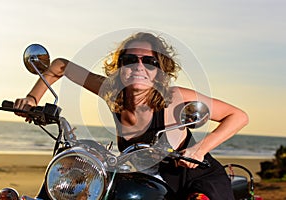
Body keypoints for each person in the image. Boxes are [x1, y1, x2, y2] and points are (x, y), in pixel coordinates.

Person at [14, 32, 248, 199]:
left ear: (160, 71)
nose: (139, 66)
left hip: (193, 178)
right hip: (142, 178)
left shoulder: (175, 98)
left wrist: (199, 149)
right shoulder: (111, 91)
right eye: (129, 60)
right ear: (119, 68)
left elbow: (238, 116)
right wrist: (33, 99)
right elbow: (60, 66)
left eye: (149, 61)